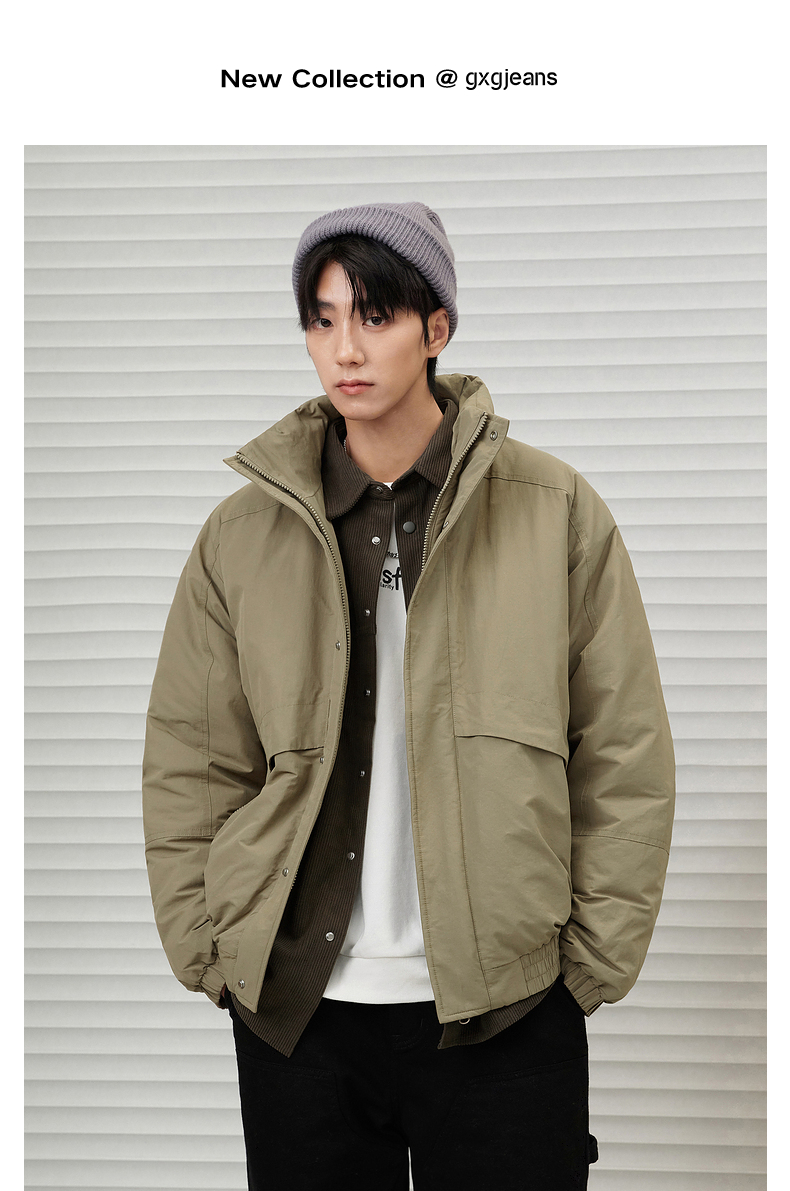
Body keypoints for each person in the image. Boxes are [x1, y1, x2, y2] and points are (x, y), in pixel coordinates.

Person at [142, 201, 676, 1190]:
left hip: (506, 1012)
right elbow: (194, 761)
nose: (345, 347)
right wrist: (212, 953)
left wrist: (584, 971)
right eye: (322, 319)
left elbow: (623, 748)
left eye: (375, 315)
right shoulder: (240, 538)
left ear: (437, 328)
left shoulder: (554, 514)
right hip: (299, 1015)